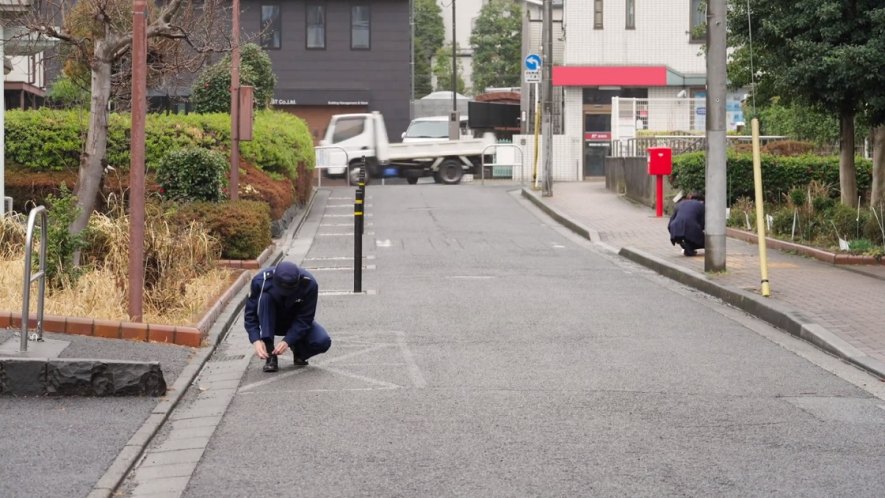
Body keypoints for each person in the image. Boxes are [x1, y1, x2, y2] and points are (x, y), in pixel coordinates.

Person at [243, 261, 331, 372]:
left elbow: (305, 318)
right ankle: (270, 354)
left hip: (294, 321)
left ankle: (299, 350)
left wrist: (288, 340)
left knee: (322, 341)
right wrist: (255, 339)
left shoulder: (310, 284)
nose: (285, 293)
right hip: (270, 321)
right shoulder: (261, 281)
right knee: (265, 298)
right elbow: (250, 315)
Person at [668, 192, 705, 256]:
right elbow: (702, 223)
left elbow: (671, 222)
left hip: (675, 228)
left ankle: (686, 245)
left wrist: (674, 236)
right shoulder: (701, 205)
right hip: (691, 228)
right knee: (706, 242)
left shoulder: (680, 204)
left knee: (687, 234)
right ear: (701, 200)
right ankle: (689, 247)